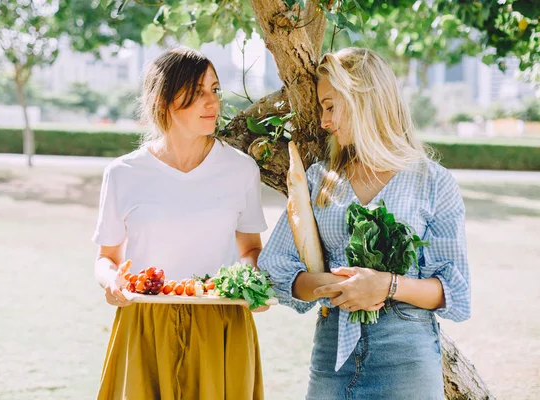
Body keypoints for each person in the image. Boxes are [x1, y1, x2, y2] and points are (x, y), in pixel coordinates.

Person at [258, 47, 471, 399]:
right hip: (332, 360)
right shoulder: (318, 180)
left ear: (363, 98)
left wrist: (386, 285)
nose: (324, 121)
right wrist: (336, 286)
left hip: (407, 363)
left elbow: (456, 293)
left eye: (330, 105)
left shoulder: (432, 181)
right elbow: (276, 269)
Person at [92, 47, 268, 400]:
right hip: (144, 323)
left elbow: (250, 249)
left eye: (214, 90)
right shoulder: (123, 173)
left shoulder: (240, 169)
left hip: (222, 323)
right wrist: (112, 282)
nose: (212, 102)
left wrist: (248, 284)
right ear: (163, 101)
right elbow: (106, 257)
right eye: (197, 92)